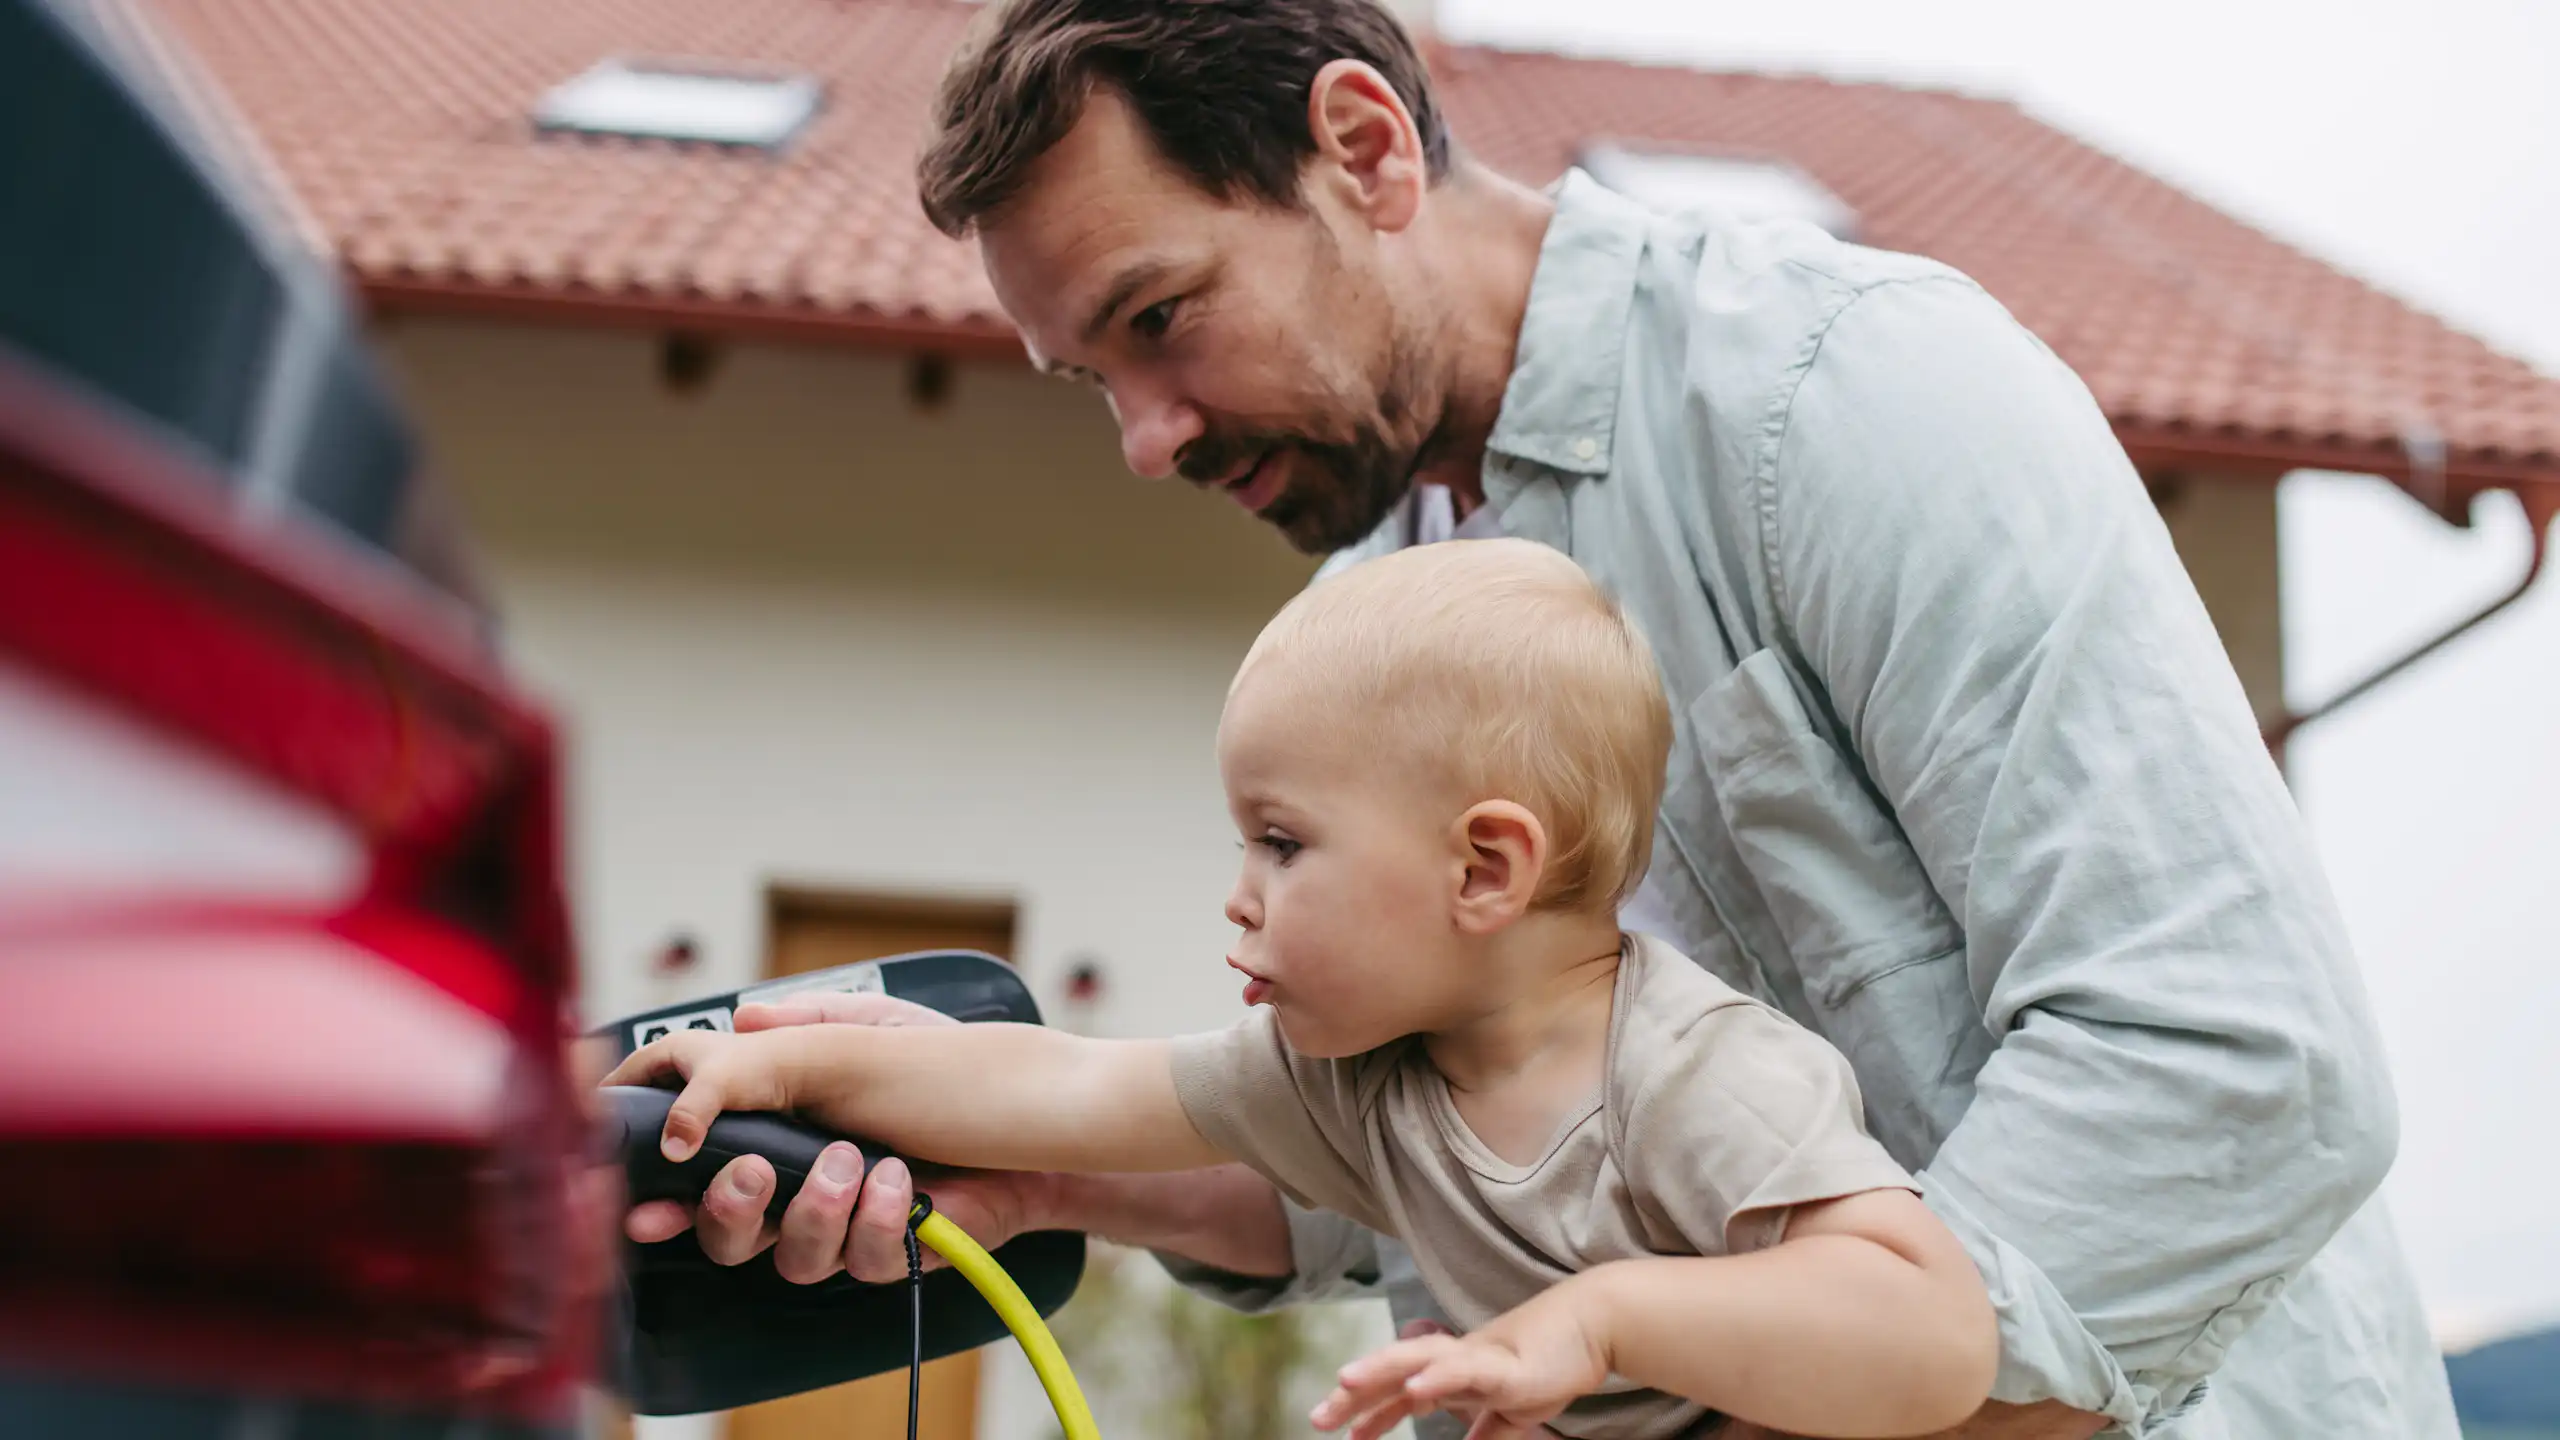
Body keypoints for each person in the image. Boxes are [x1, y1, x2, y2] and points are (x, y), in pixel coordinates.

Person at [625, 3, 2459, 1436]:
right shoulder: (1370, 623)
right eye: (1092, 379)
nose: (1148, 438)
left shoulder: (1837, 393)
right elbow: (1417, 1154)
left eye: (1161, 318)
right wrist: (1052, 1180)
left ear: (1361, 150)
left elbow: (2227, 1065)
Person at [611, 539, 1998, 1439]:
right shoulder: (1349, 1071)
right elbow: (1063, 1084)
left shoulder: (1697, 1076)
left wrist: (1600, 1319)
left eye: (1282, 842)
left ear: (1485, 869)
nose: (1239, 891)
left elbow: (1937, 1333)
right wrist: (786, 1069)